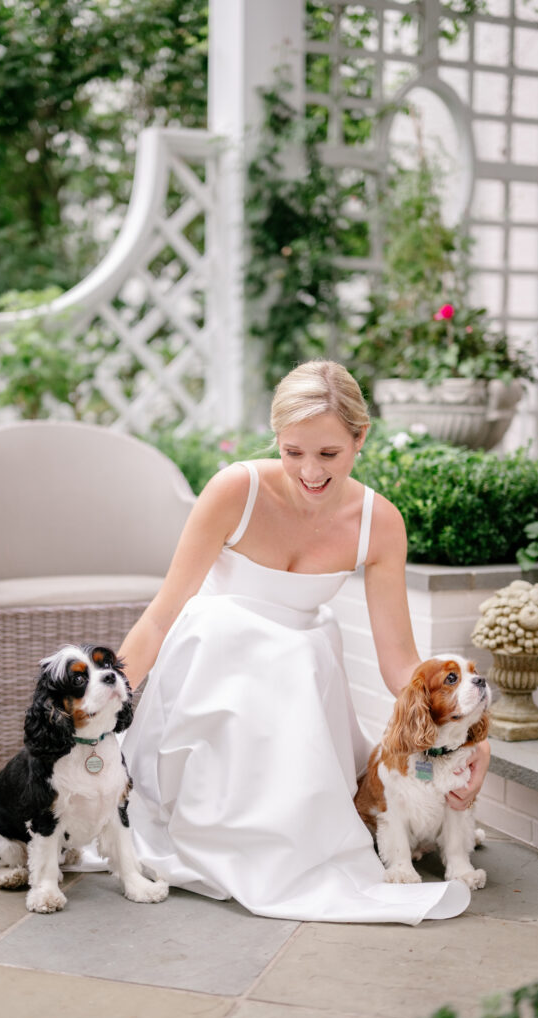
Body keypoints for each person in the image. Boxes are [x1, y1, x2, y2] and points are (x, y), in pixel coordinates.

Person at [117, 359, 490, 924]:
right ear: (277, 441)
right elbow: (160, 618)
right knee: (269, 644)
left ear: (360, 438)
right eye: (292, 452)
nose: (309, 472)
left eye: (328, 455)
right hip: (214, 672)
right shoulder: (234, 491)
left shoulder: (379, 523)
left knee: (307, 647)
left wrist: (469, 737)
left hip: (296, 684)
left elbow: (399, 665)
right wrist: (96, 714)